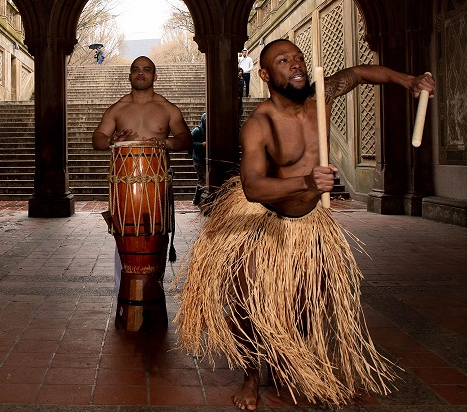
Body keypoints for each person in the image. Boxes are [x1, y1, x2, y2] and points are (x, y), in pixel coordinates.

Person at [176, 39, 434, 409]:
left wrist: (408, 81)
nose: (296, 65)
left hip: (311, 223)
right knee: (250, 301)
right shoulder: (259, 124)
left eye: (298, 58)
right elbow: (252, 187)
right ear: (265, 75)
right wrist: (307, 183)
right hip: (268, 220)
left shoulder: (321, 98)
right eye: (284, 61)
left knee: (303, 301)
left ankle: (287, 360)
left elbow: (360, 73)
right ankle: (251, 376)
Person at [93, 56, 192, 297]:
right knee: (125, 236)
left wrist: (166, 142)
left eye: (146, 70)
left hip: (156, 186)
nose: (141, 73)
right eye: (136, 70)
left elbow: (185, 138)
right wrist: (111, 140)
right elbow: (97, 139)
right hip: (125, 186)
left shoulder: (167, 108)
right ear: (129, 75)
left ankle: (152, 293)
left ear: (154, 76)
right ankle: (125, 295)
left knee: (157, 238)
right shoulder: (118, 108)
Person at [190, 113, 207, 205]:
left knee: (201, 180)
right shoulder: (197, 131)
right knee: (203, 179)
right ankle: (204, 200)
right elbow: (189, 143)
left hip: (205, 159)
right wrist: (201, 145)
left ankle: (196, 200)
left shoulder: (209, 131)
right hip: (198, 160)